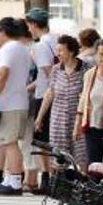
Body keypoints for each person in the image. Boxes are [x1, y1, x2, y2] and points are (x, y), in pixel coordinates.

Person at [0, 17, 32, 195]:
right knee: (9, 142)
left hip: (8, 103)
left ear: (3, 32)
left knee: (10, 143)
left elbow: (3, 74)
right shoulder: (21, 48)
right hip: (16, 101)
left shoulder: (9, 49)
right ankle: (11, 178)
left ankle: (15, 182)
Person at [37, 35, 88, 169]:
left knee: (81, 157)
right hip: (58, 120)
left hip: (77, 120)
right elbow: (50, 93)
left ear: (71, 51)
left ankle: (80, 186)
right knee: (58, 158)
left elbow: (87, 95)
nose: (57, 53)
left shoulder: (86, 69)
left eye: (61, 50)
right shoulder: (56, 69)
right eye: (57, 50)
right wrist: (40, 117)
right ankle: (59, 187)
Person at [23, 9, 57, 194]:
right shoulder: (55, 40)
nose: (28, 29)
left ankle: (46, 178)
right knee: (50, 138)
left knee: (41, 140)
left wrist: (53, 91)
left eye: (29, 25)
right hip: (50, 93)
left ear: (34, 24)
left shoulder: (40, 46)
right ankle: (50, 178)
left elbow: (48, 73)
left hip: (45, 96)